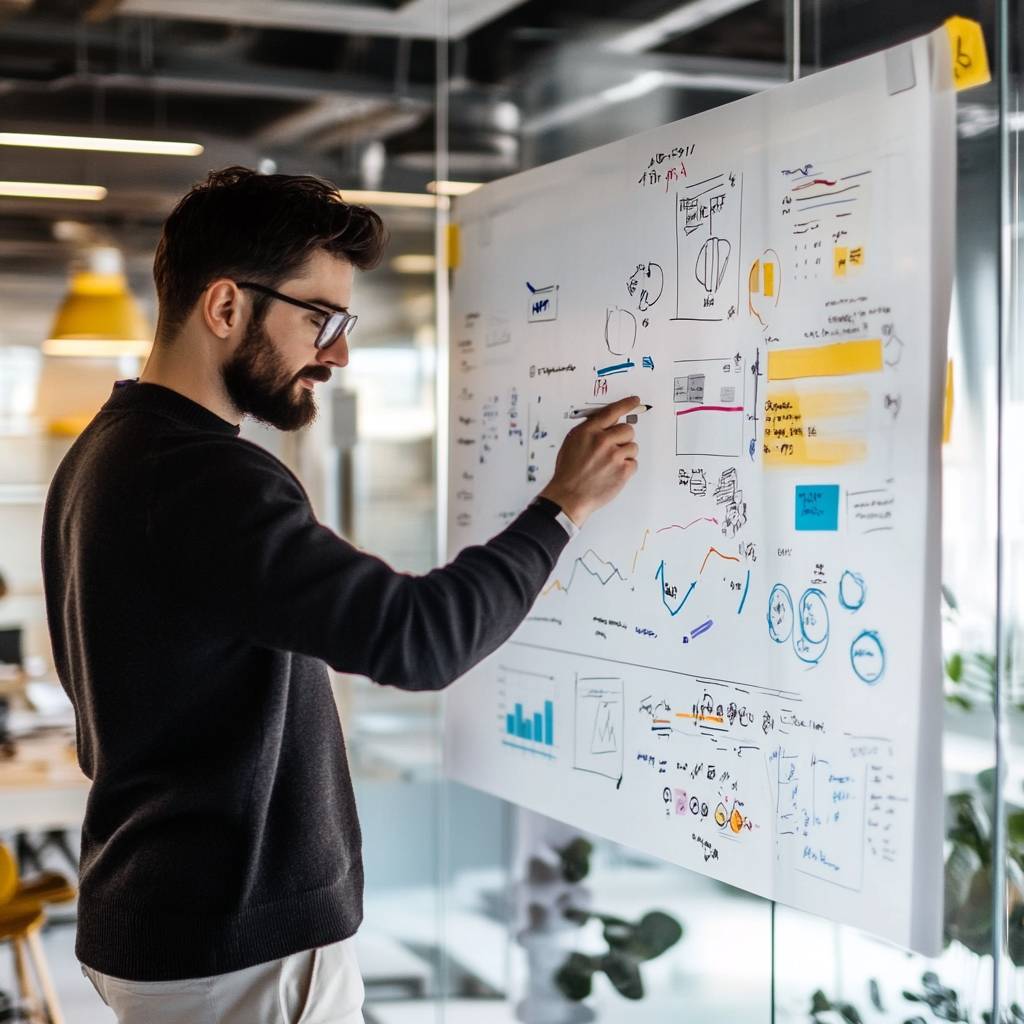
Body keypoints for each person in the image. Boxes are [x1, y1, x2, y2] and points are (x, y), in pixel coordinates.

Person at [41, 166, 640, 1024]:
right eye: (319, 318)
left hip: (163, 914)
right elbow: (419, 639)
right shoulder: (207, 479)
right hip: (235, 947)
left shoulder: (109, 447)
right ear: (225, 308)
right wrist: (562, 507)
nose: (338, 353)